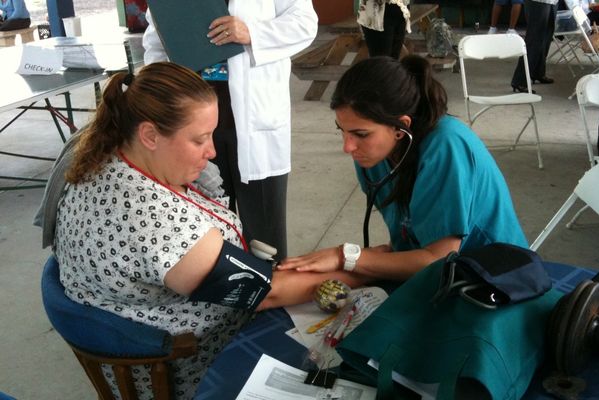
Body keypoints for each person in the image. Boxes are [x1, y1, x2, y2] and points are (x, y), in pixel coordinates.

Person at [44, 61, 363, 399]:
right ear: (150, 135)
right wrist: (360, 269)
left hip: (141, 322)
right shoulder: (156, 222)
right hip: (186, 366)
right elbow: (266, 292)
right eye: (199, 139)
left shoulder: (102, 149)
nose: (212, 151)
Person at [278, 56, 528, 281]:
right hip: (433, 278)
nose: (348, 147)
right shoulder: (373, 157)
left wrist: (346, 256)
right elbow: (408, 240)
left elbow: (437, 260)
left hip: (496, 280)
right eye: (341, 131)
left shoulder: (446, 146)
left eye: (360, 134)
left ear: (401, 126)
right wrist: (366, 259)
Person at [142, 1, 319, 261]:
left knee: (264, 232)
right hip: (191, 121)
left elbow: (305, 23)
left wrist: (252, 33)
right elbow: (156, 40)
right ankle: (218, 295)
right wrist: (157, 96)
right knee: (204, 225)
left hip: (255, 121)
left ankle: (270, 295)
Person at [511, 0, 558, 93]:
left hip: (552, 2)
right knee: (534, 40)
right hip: (538, 2)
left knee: (546, 38)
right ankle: (520, 80)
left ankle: (538, 73)